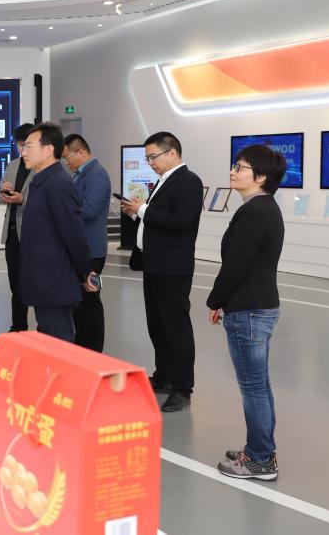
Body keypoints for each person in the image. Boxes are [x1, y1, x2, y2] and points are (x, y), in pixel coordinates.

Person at [209, 145, 287, 480]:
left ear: (261, 177)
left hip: (249, 310)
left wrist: (216, 300)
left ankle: (260, 459)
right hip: (258, 305)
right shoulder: (264, 207)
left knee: (253, 387)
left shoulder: (254, 212)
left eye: (240, 167)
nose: (233, 171)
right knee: (259, 384)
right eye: (234, 165)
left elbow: (235, 265)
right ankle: (260, 448)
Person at [120, 132, 203, 412]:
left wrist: (143, 209)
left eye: (153, 157)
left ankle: (183, 386)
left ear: (172, 153)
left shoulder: (188, 181)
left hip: (173, 266)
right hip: (155, 263)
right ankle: (165, 375)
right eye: (147, 159)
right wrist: (136, 213)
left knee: (175, 327)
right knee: (158, 324)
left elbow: (182, 221)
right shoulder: (164, 180)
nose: (150, 163)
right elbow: (160, 219)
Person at [18, 123, 99, 341]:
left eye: (29, 147)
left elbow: (73, 233)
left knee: (59, 342)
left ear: (48, 150)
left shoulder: (58, 184)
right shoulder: (41, 181)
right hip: (43, 281)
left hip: (54, 282)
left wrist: (85, 272)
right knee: (49, 342)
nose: (24, 152)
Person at [62, 134, 112, 352]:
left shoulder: (96, 174)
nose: (66, 162)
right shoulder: (81, 174)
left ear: (81, 152)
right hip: (83, 248)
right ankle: (83, 346)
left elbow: (89, 210)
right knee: (81, 303)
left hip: (93, 251)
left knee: (91, 301)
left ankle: (92, 350)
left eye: (67, 157)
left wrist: (62, 214)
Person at [0, 122, 35, 334]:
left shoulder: (41, 167)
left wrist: (22, 200)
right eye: (18, 145)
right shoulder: (12, 165)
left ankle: (44, 331)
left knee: (34, 283)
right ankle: (18, 328)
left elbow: (45, 201)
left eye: (25, 145)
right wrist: (3, 192)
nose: (22, 149)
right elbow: (0, 193)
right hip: (12, 233)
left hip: (32, 234)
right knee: (15, 284)